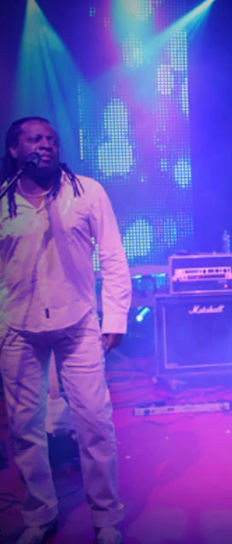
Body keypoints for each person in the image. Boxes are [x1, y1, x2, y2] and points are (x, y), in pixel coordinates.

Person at [0, 117, 130, 544]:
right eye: (34, 139)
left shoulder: (86, 192)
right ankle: (40, 516)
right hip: (18, 326)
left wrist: (114, 318)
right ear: (15, 150)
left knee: (95, 422)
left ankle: (106, 518)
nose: (45, 145)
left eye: (51, 139)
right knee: (25, 428)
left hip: (78, 323)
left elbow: (113, 256)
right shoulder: (3, 200)